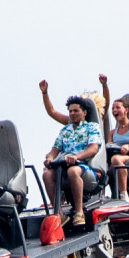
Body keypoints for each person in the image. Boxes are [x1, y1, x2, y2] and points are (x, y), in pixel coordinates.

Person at [37, 82, 105, 225]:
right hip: (63, 165)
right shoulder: (65, 130)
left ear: (84, 112)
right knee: (47, 174)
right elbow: (54, 150)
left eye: (76, 111)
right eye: (70, 111)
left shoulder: (92, 127)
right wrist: (49, 158)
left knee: (73, 171)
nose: (73, 114)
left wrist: (76, 157)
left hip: (86, 167)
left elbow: (93, 149)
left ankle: (79, 213)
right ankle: (60, 214)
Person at [99, 76, 129, 207]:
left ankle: (123, 195)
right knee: (102, 165)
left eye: (118, 107)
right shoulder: (112, 133)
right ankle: (100, 196)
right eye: (113, 109)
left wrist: (128, 147)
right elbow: (109, 147)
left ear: (126, 110)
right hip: (117, 160)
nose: (115, 110)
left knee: (116, 159)